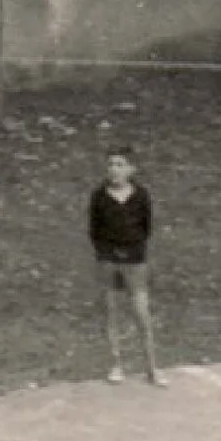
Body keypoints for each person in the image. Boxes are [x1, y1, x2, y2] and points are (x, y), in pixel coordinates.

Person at [88, 145, 164, 385]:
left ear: (131, 169)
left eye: (120, 165)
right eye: (111, 165)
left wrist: (133, 248)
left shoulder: (141, 195)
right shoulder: (99, 196)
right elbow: (95, 229)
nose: (114, 170)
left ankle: (152, 367)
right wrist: (106, 251)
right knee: (110, 311)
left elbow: (146, 227)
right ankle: (115, 364)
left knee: (141, 312)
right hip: (108, 259)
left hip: (134, 260)